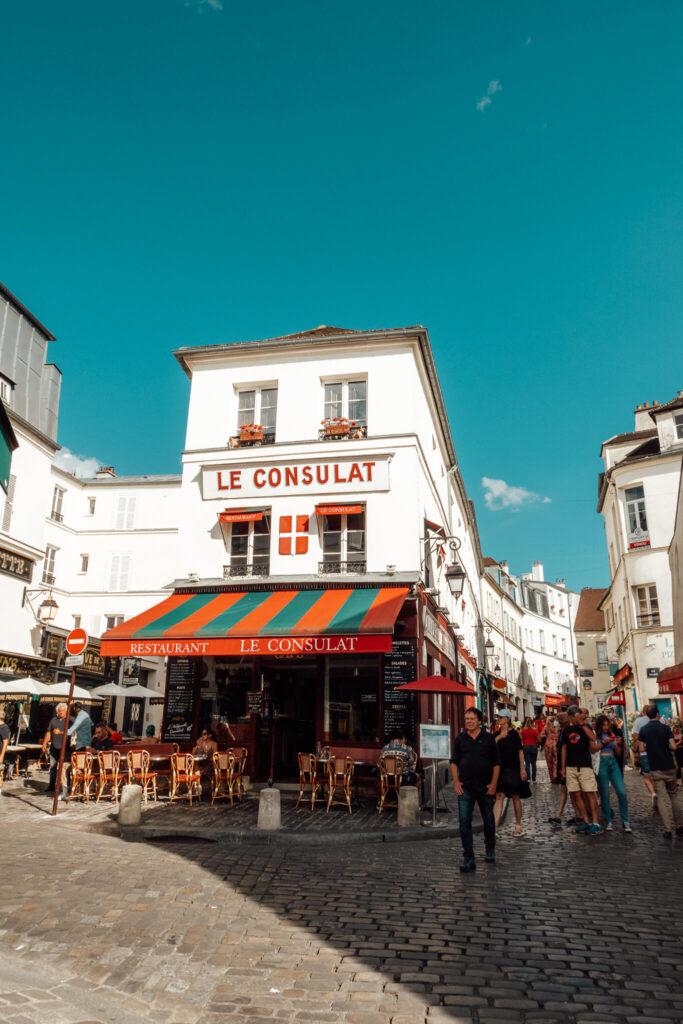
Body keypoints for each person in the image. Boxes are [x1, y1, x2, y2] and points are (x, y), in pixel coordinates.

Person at [450, 707, 500, 872]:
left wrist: (493, 784)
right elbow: (454, 761)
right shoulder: (460, 739)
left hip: (485, 787)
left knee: (488, 819)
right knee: (464, 822)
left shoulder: (488, 738)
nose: (469, 722)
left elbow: (496, 763)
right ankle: (469, 858)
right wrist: (456, 781)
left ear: (479, 721)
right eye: (467, 719)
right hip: (466, 787)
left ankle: (490, 848)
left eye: (472, 719)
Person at [638, 706, 683, 840]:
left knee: (662, 798)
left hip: (655, 767)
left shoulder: (644, 730)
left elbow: (641, 749)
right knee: (674, 796)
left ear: (647, 715)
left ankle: (668, 829)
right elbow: (673, 747)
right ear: (658, 714)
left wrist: (649, 747)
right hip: (669, 766)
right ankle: (679, 826)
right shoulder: (665, 728)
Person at [559, 706, 602, 835]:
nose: (579, 718)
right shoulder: (566, 730)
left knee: (589, 793)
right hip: (571, 766)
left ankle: (595, 823)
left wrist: (582, 724)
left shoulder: (586, 727)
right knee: (576, 794)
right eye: (576, 716)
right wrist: (563, 768)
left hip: (584, 766)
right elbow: (564, 749)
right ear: (571, 717)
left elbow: (593, 739)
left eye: (580, 716)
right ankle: (586, 821)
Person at [593, 713, 631, 832]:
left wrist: (619, 744)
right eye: (603, 725)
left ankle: (625, 820)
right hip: (602, 762)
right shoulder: (595, 736)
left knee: (622, 792)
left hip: (613, 762)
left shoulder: (611, 734)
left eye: (607, 725)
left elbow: (618, 753)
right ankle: (609, 820)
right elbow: (593, 749)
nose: (606, 727)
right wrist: (604, 742)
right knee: (605, 794)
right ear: (599, 726)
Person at [493, 710, 527, 837]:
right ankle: (495, 828)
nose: (499, 719)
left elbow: (520, 751)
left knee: (515, 796)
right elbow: (491, 748)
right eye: (498, 717)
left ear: (507, 719)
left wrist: (522, 768)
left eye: (501, 717)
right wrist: (499, 737)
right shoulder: (496, 734)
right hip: (499, 769)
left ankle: (518, 825)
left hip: (513, 768)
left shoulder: (514, 735)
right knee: (499, 796)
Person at [42, 702, 69, 797]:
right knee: (53, 767)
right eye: (59, 711)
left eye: (62, 711)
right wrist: (44, 743)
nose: (61, 712)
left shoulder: (69, 721)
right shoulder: (54, 720)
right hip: (54, 747)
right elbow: (49, 732)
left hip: (65, 748)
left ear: (66, 711)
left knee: (64, 768)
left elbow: (71, 733)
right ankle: (51, 785)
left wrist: (60, 732)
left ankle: (65, 787)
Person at [632, 705, 657, 805]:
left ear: (644, 712)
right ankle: (658, 792)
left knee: (647, 776)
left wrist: (635, 752)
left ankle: (653, 793)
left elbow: (635, 737)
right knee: (656, 775)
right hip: (657, 753)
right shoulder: (659, 721)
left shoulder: (638, 721)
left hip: (644, 753)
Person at [520, 716, 539, 782]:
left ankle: (528, 778)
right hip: (533, 747)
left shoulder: (523, 731)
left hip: (526, 747)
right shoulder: (534, 731)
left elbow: (521, 739)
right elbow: (537, 739)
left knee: (527, 763)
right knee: (533, 763)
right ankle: (534, 778)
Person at [0, 709, 10, 794]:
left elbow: (5, 742)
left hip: (0, 752)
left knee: (0, 770)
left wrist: (2, 756)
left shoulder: (4, 727)